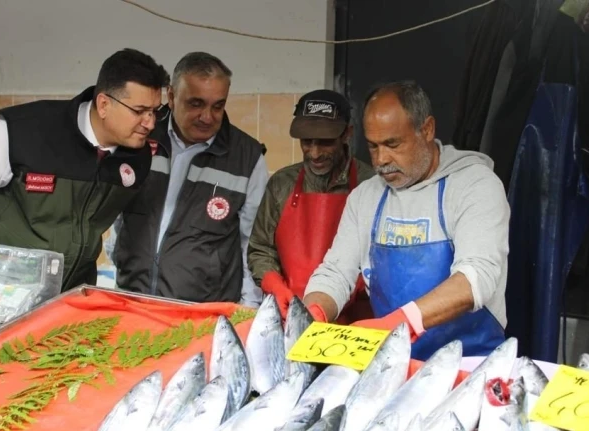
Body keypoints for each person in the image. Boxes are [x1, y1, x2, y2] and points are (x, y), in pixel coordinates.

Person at [0, 48, 169, 346]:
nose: (150, 122)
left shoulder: (137, 158)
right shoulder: (22, 131)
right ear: (104, 104)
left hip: (65, 306)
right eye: (139, 111)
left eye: (155, 111)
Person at [303, 81, 510, 360]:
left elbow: (475, 278)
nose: (381, 160)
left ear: (426, 130)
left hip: (470, 365)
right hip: (394, 364)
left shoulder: (475, 185)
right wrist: (313, 311)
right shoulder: (366, 196)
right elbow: (336, 272)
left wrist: (401, 321)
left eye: (392, 144)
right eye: (373, 147)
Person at [112, 52, 268, 306]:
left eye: (218, 106)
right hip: (132, 302)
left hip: (202, 315)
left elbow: (252, 245)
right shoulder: (140, 140)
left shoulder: (247, 158)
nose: (207, 117)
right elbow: (119, 217)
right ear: (171, 97)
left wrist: (247, 312)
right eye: (196, 104)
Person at [247, 89, 375, 319]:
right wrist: (275, 285)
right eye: (307, 142)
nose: (314, 153)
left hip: (357, 320)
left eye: (325, 143)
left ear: (347, 134)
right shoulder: (281, 184)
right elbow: (260, 249)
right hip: (292, 313)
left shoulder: (370, 183)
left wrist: (354, 286)